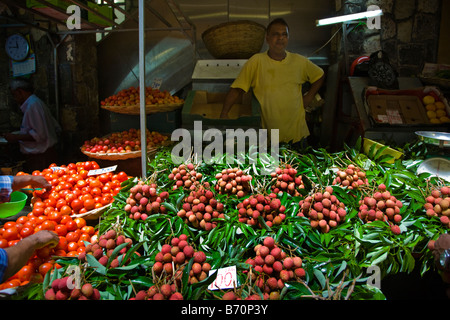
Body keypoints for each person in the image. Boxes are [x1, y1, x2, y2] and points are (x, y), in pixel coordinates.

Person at [220, 18, 325, 145]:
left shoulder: (299, 61)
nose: (280, 38)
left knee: (298, 165)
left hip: (298, 135)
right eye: (276, 34)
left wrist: (308, 97)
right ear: (267, 38)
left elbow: (320, 75)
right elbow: (237, 89)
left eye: (284, 34)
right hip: (271, 139)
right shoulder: (256, 61)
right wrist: (224, 114)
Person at [3, 78, 61, 172]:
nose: (14, 98)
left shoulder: (33, 106)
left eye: (14, 95)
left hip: (41, 157)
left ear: (20, 92)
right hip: (42, 155)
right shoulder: (35, 103)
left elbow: (39, 135)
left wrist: (15, 137)